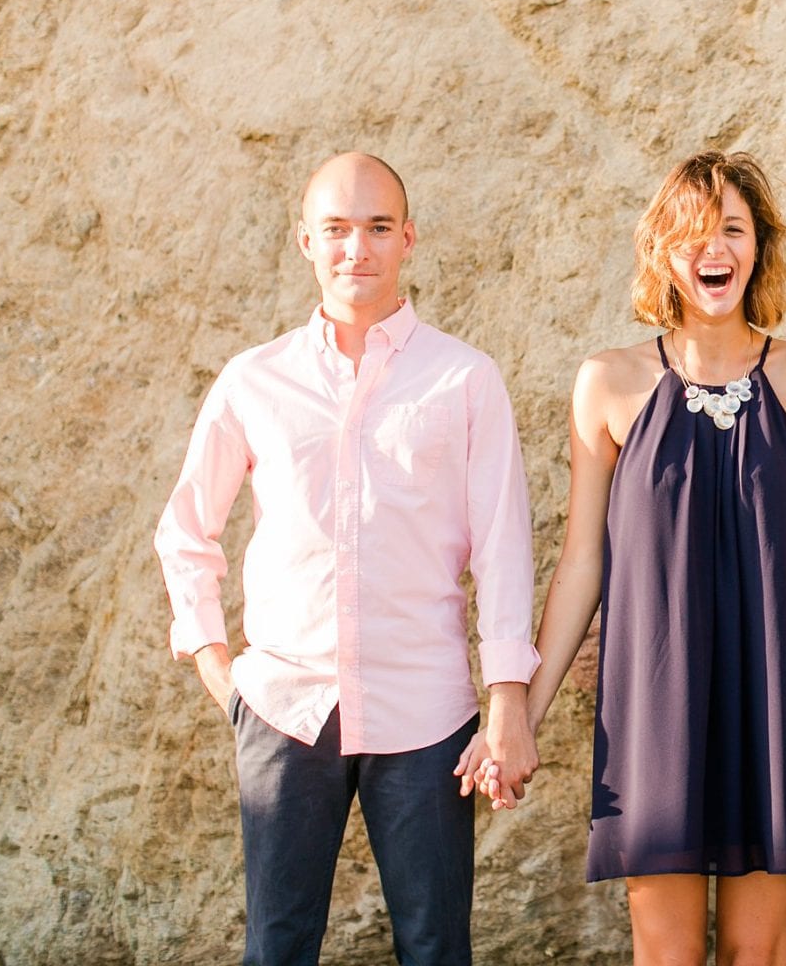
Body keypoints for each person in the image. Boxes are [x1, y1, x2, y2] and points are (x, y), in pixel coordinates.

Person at [476, 150, 786, 964]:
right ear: (661, 251)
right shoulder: (607, 384)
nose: (712, 248)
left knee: (756, 958)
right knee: (665, 959)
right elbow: (583, 563)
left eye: (731, 228)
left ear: (758, 245)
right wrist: (521, 717)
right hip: (655, 712)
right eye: (690, 233)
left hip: (775, 704)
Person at [155, 152, 540, 966]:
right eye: (335, 229)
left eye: (374, 228)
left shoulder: (465, 380)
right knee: (278, 947)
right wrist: (225, 679)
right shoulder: (252, 381)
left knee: (436, 948)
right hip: (283, 711)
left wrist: (506, 703)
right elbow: (186, 531)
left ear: (408, 238)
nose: (354, 249)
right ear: (305, 241)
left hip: (427, 715)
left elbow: (504, 545)